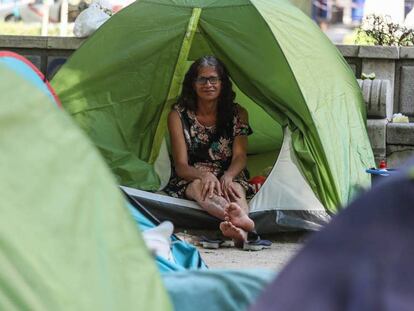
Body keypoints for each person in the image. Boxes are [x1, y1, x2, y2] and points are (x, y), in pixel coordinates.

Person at [163, 55, 255, 245]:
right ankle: (243, 226)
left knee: (236, 189)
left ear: (222, 84)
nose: (208, 84)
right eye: (202, 79)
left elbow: (240, 156)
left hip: (227, 173)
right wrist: (203, 175)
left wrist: (229, 176)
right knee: (200, 188)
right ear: (193, 84)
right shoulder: (177, 115)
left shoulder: (238, 113)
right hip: (193, 175)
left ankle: (240, 229)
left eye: (214, 79)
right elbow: (181, 165)